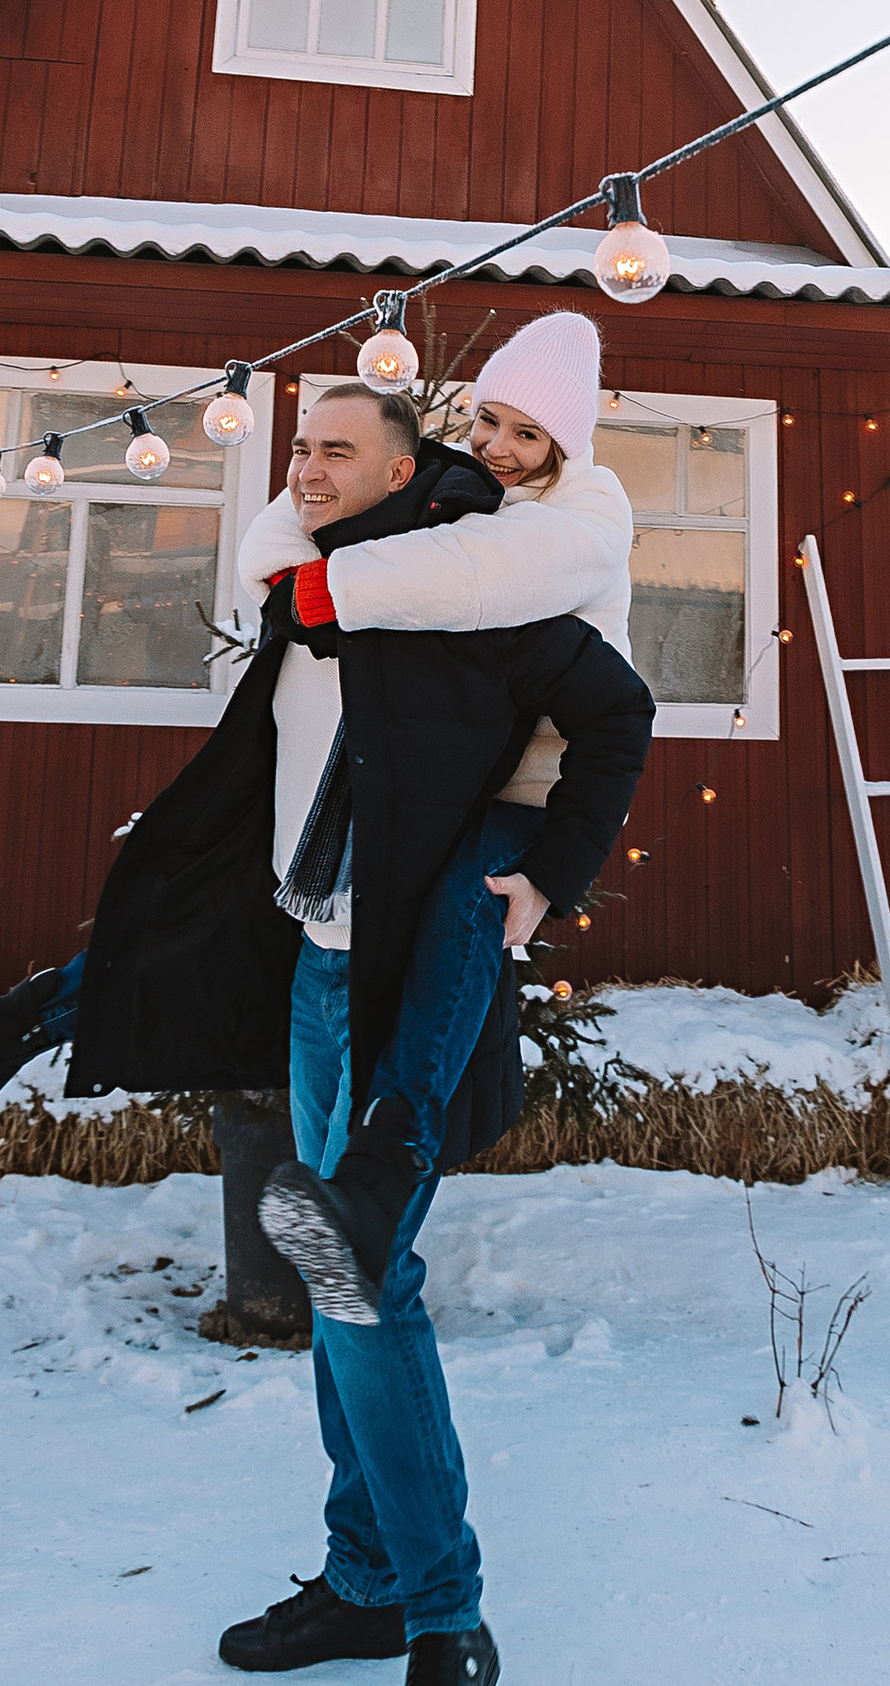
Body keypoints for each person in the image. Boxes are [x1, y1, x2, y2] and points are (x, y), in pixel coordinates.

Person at [0, 360, 652, 1686]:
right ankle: (368, 1578)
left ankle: (443, 1619)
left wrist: (548, 872)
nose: (307, 466)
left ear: (411, 473)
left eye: (339, 449)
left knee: (369, 1287)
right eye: (301, 445)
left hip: (402, 972)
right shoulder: (319, 596)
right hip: (311, 964)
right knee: (340, 1292)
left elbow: (618, 715)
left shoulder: (481, 604)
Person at [244, 311, 633, 1322]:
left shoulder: (578, 515)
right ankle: (365, 1199)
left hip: (528, 796)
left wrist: (555, 872)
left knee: (465, 914)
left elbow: (489, 584)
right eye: (489, 422)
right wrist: (314, 563)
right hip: (457, 786)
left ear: (564, 447)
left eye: (527, 436)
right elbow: (295, 530)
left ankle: (378, 1182)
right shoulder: (470, 494)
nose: (501, 447)